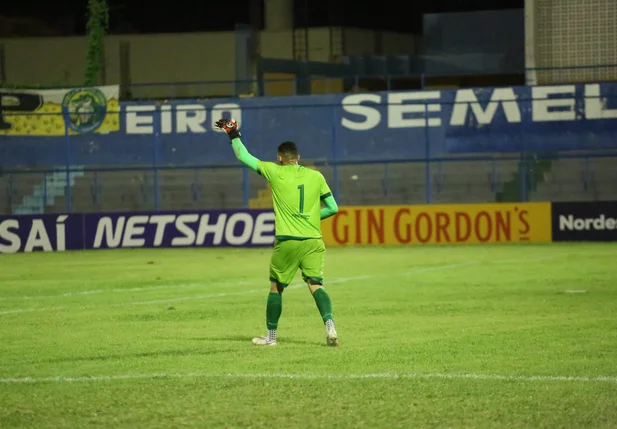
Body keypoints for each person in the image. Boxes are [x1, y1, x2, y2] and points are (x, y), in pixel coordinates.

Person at [215, 118, 340, 347]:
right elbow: (333, 208)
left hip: (288, 241)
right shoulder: (316, 176)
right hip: (313, 240)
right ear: (298, 158)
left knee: (276, 287)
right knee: (316, 284)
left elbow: (243, 156)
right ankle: (330, 326)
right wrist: (311, 218)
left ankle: (271, 338)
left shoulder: (274, 171)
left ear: (279, 158)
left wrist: (232, 133)